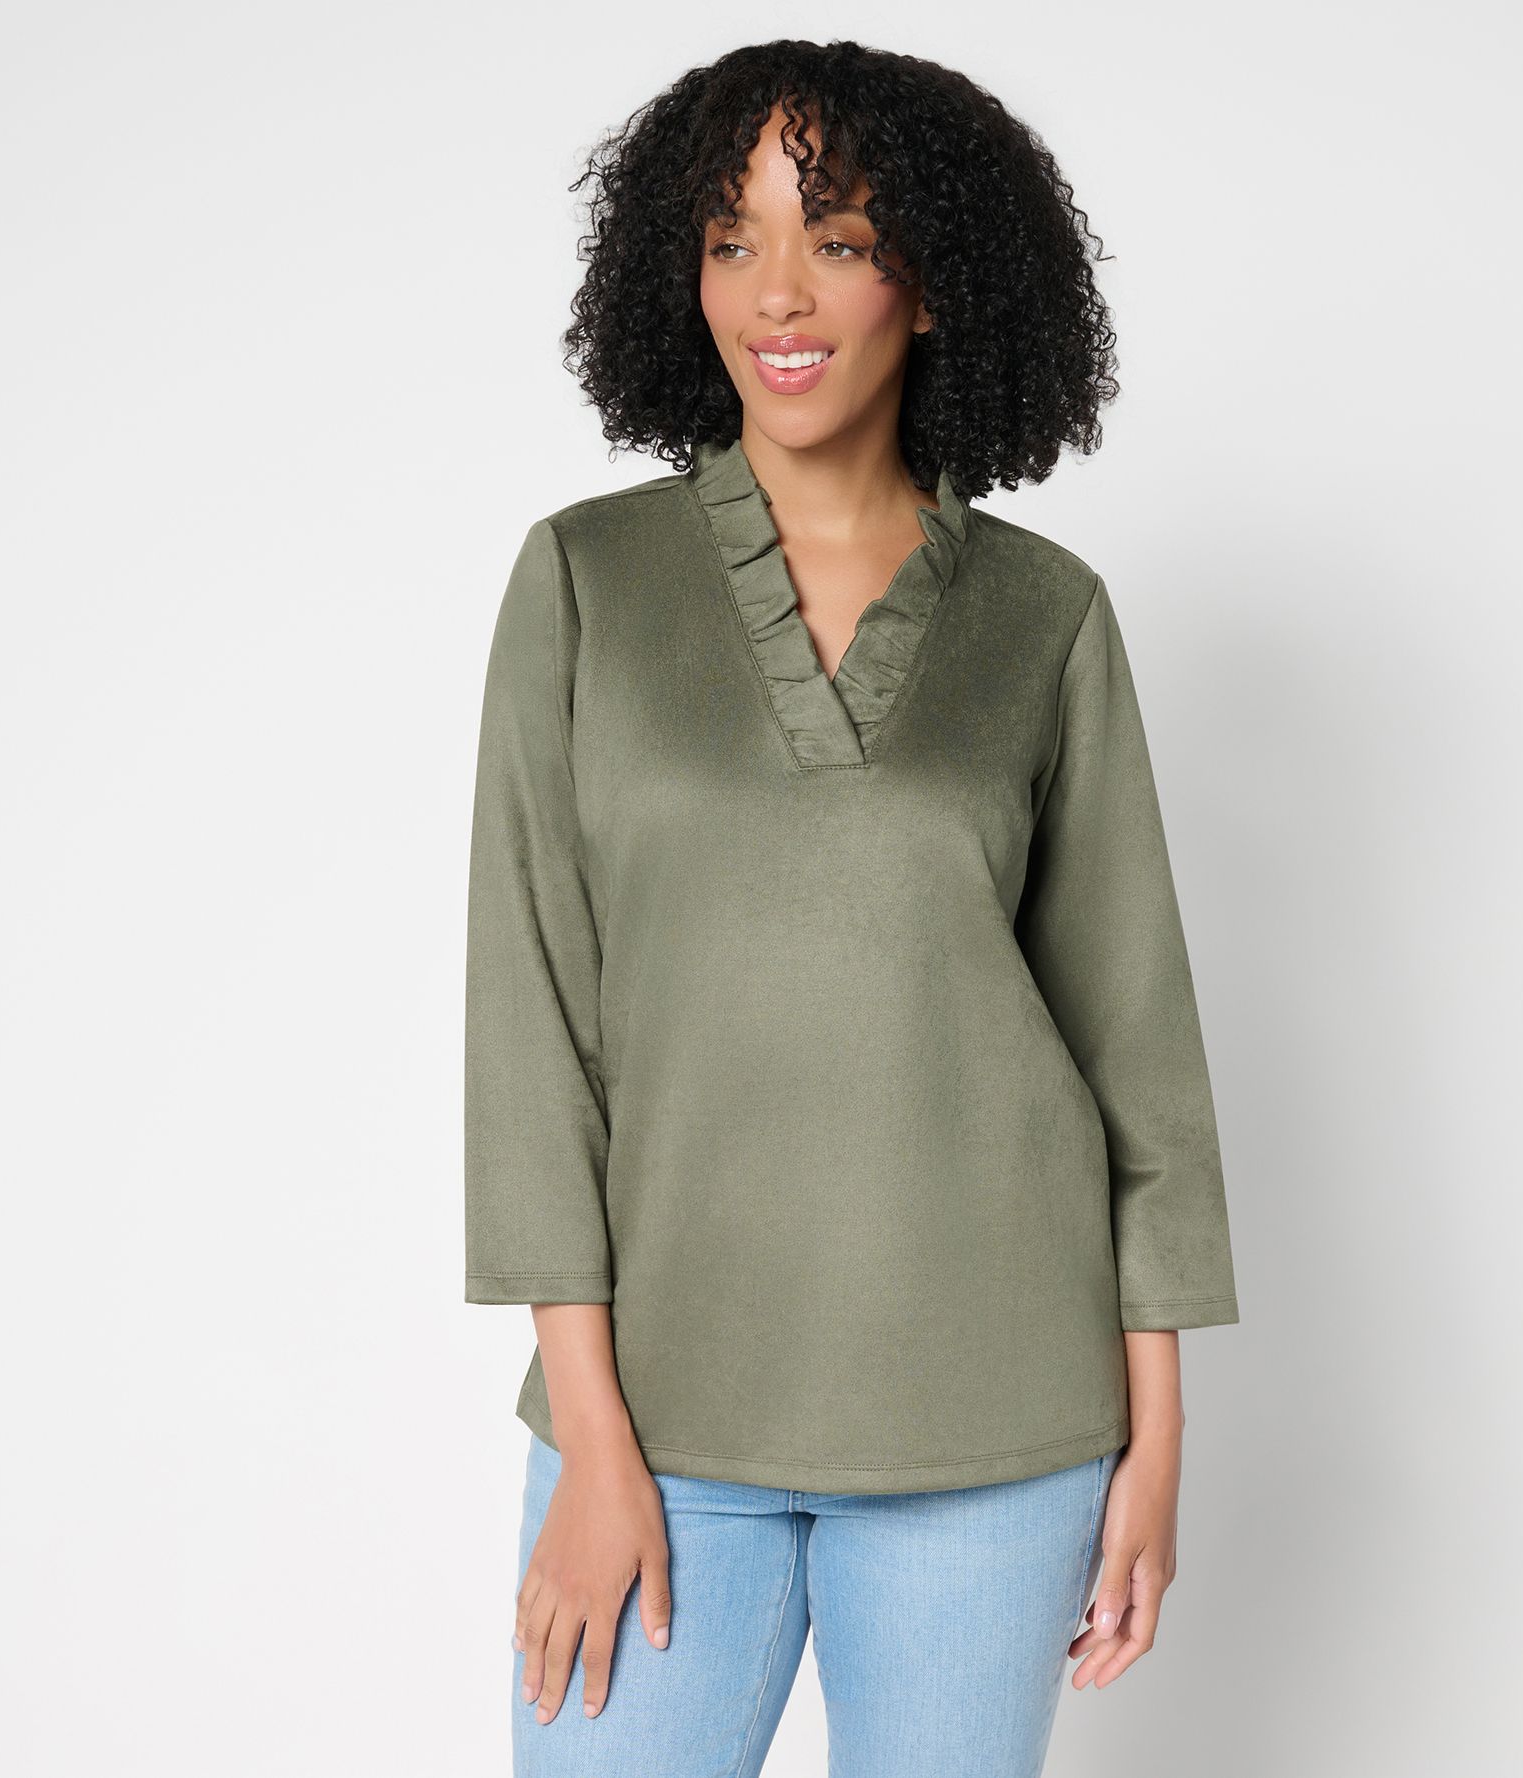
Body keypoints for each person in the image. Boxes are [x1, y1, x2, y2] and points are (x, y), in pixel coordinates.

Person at [464, 38, 1241, 1777]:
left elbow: (1137, 1056)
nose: (779, 294)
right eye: (731, 240)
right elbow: (530, 1023)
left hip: (997, 1433)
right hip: (657, 1424)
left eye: (838, 236)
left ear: (935, 279)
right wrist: (593, 1436)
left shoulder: (1044, 616)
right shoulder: (585, 582)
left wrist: (1158, 1445)